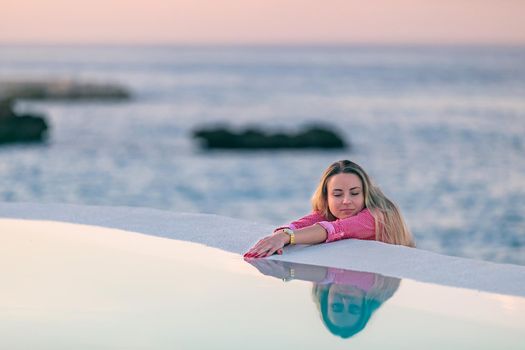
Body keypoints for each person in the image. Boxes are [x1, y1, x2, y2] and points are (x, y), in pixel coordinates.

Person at [244, 160, 414, 258]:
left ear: (365, 194)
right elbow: (309, 221)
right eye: (338, 194)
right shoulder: (332, 212)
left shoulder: (376, 216)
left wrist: (287, 237)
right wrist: (281, 234)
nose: (346, 201)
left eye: (354, 193)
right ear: (326, 197)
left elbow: (335, 229)